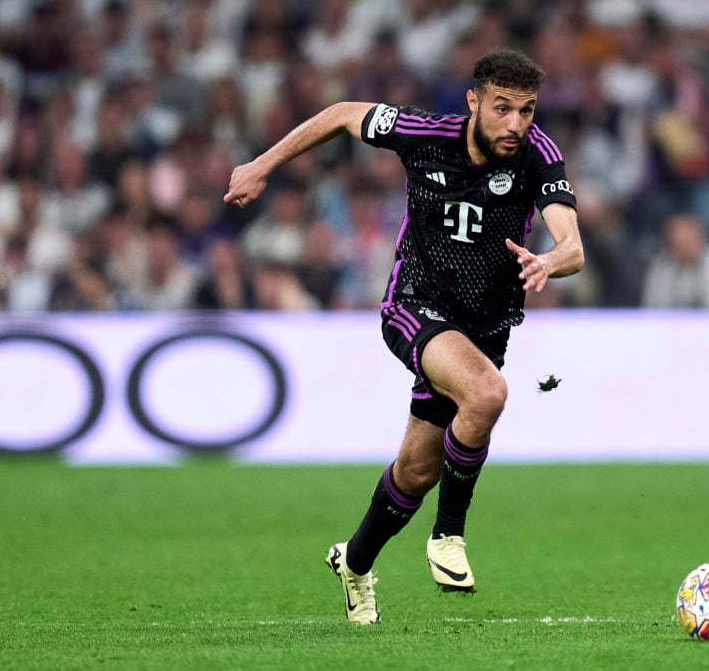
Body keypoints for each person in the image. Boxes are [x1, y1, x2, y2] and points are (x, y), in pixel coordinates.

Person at [223, 49, 584, 624]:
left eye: (527, 110)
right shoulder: (423, 133)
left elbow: (573, 244)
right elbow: (343, 113)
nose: (516, 124)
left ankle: (355, 562)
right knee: (487, 394)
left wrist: (551, 259)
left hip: (484, 326)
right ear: (474, 102)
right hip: (413, 305)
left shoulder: (540, 154)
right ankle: (448, 536)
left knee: (417, 470)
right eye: (503, 108)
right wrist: (262, 164)